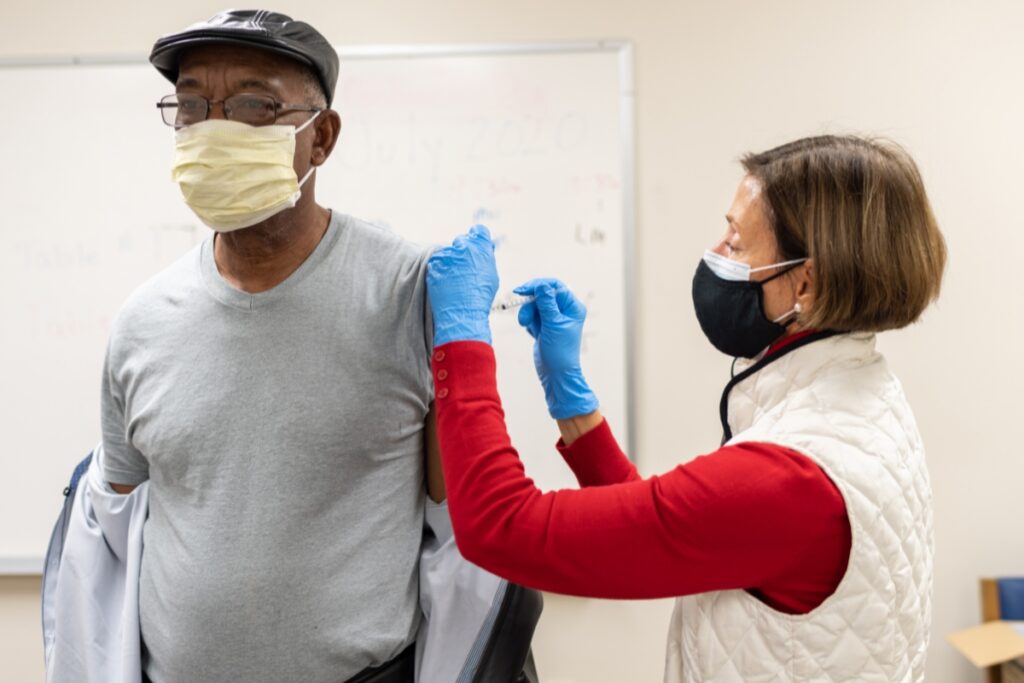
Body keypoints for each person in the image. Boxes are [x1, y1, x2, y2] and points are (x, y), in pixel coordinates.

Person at [425, 135, 946, 682]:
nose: (715, 254)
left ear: (807, 285)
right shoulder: (864, 399)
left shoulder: (792, 482)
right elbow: (668, 535)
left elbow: (500, 528)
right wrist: (570, 398)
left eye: (738, 243)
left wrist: (462, 343)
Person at [100, 10, 442, 682]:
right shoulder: (141, 322)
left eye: (255, 104)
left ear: (322, 139)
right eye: (193, 104)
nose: (215, 128)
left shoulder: (408, 293)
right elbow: (112, 536)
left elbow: (460, 523)